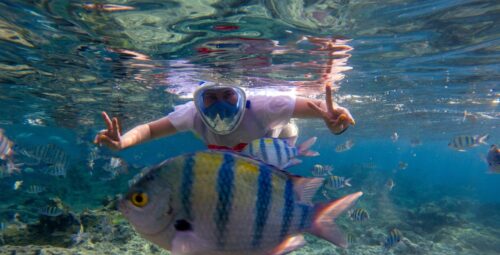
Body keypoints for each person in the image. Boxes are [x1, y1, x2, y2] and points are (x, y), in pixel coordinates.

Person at [94, 82, 355, 152]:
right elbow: (150, 130)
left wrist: (333, 120)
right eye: (210, 97)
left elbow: (319, 106)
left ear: (241, 95)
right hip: (235, 152)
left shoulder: (263, 106)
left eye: (228, 95)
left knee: (284, 136)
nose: (220, 105)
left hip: (275, 139)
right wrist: (123, 142)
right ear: (198, 100)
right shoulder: (191, 114)